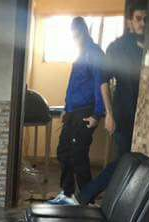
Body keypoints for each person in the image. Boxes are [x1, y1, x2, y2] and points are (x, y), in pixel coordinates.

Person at [74, 3, 147, 206]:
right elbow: (103, 81)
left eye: (146, 19)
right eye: (139, 18)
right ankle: (86, 195)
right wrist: (109, 114)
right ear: (130, 21)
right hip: (123, 114)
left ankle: (109, 200)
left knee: (133, 161)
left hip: (146, 118)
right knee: (124, 160)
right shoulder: (118, 48)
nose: (143, 23)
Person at [48, 17, 106, 206]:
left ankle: (88, 201)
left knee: (78, 155)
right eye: (73, 36)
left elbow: (100, 83)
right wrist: (66, 108)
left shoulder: (94, 53)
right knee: (63, 151)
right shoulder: (81, 54)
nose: (75, 39)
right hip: (73, 112)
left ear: (84, 31)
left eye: (77, 35)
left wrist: (98, 114)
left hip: (86, 112)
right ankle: (67, 193)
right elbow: (73, 85)